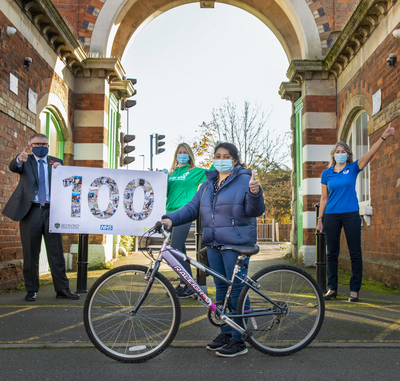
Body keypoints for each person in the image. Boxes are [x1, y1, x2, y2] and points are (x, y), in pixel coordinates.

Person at [161, 142, 265, 358]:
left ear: (234, 160)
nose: (221, 159)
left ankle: (239, 341)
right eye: (217, 155)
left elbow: (255, 210)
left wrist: (256, 193)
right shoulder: (208, 185)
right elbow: (191, 208)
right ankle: (226, 333)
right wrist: (170, 218)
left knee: (235, 290)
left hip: (236, 244)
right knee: (220, 288)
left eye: (226, 156)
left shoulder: (245, 180)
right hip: (214, 243)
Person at [318, 123, 395, 303]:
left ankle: (354, 290)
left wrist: (383, 136)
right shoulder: (326, 174)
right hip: (331, 216)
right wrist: (320, 218)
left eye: (343, 150)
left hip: (351, 214)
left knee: (355, 253)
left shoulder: (353, 168)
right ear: (333, 155)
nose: (340, 153)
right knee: (332, 253)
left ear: (348, 154)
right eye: (337, 151)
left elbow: (370, 154)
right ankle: (332, 288)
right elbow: (323, 198)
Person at [2, 133, 79, 302]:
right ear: (31, 146)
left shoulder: (56, 162)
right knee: (31, 253)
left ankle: (62, 289)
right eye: (37, 144)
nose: (41, 146)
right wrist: (18, 159)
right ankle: (31, 290)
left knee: (56, 253)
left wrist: (63, 171)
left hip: (52, 212)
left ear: (48, 146)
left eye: (44, 144)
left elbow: (68, 183)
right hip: (31, 212)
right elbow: (13, 167)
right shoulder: (25, 161)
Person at [166, 143, 207, 298]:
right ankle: (185, 283)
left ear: (189, 155)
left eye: (184, 152)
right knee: (179, 250)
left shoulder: (195, 172)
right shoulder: (172, 173)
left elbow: (213, 174)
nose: (181, 154)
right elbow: (167, 192)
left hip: (184, 212)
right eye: (179, 152)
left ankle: (190, 284)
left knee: (174, 247)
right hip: (170, 213)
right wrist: (162, 178)